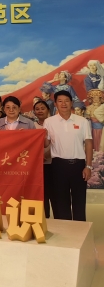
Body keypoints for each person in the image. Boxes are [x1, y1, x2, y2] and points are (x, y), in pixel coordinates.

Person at [44, 90, 93, 221]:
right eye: (60, 101)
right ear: (55, 104)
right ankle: (64, 230)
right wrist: (41, 136)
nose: (63, 104)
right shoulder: (49, 122)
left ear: (71, 103)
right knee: (61, 201)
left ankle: (80, 229)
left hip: (78, 166)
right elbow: (45, 144)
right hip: (58, 166)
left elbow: (88, 143)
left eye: (66, 101)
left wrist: (88, 166)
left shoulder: (82, 121)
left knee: (79, 200)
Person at [33, 99, 53, 218]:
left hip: (53, 163)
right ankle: (45, 218)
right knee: (41, 193)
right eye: (37, 109)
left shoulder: (54, 124)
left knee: (54, 192)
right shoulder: (32, 126)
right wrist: (38, 156)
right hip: (37, 166)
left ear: (48, 110)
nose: (40, 111)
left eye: (42, 108)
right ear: (34, 112)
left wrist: (48, 154)